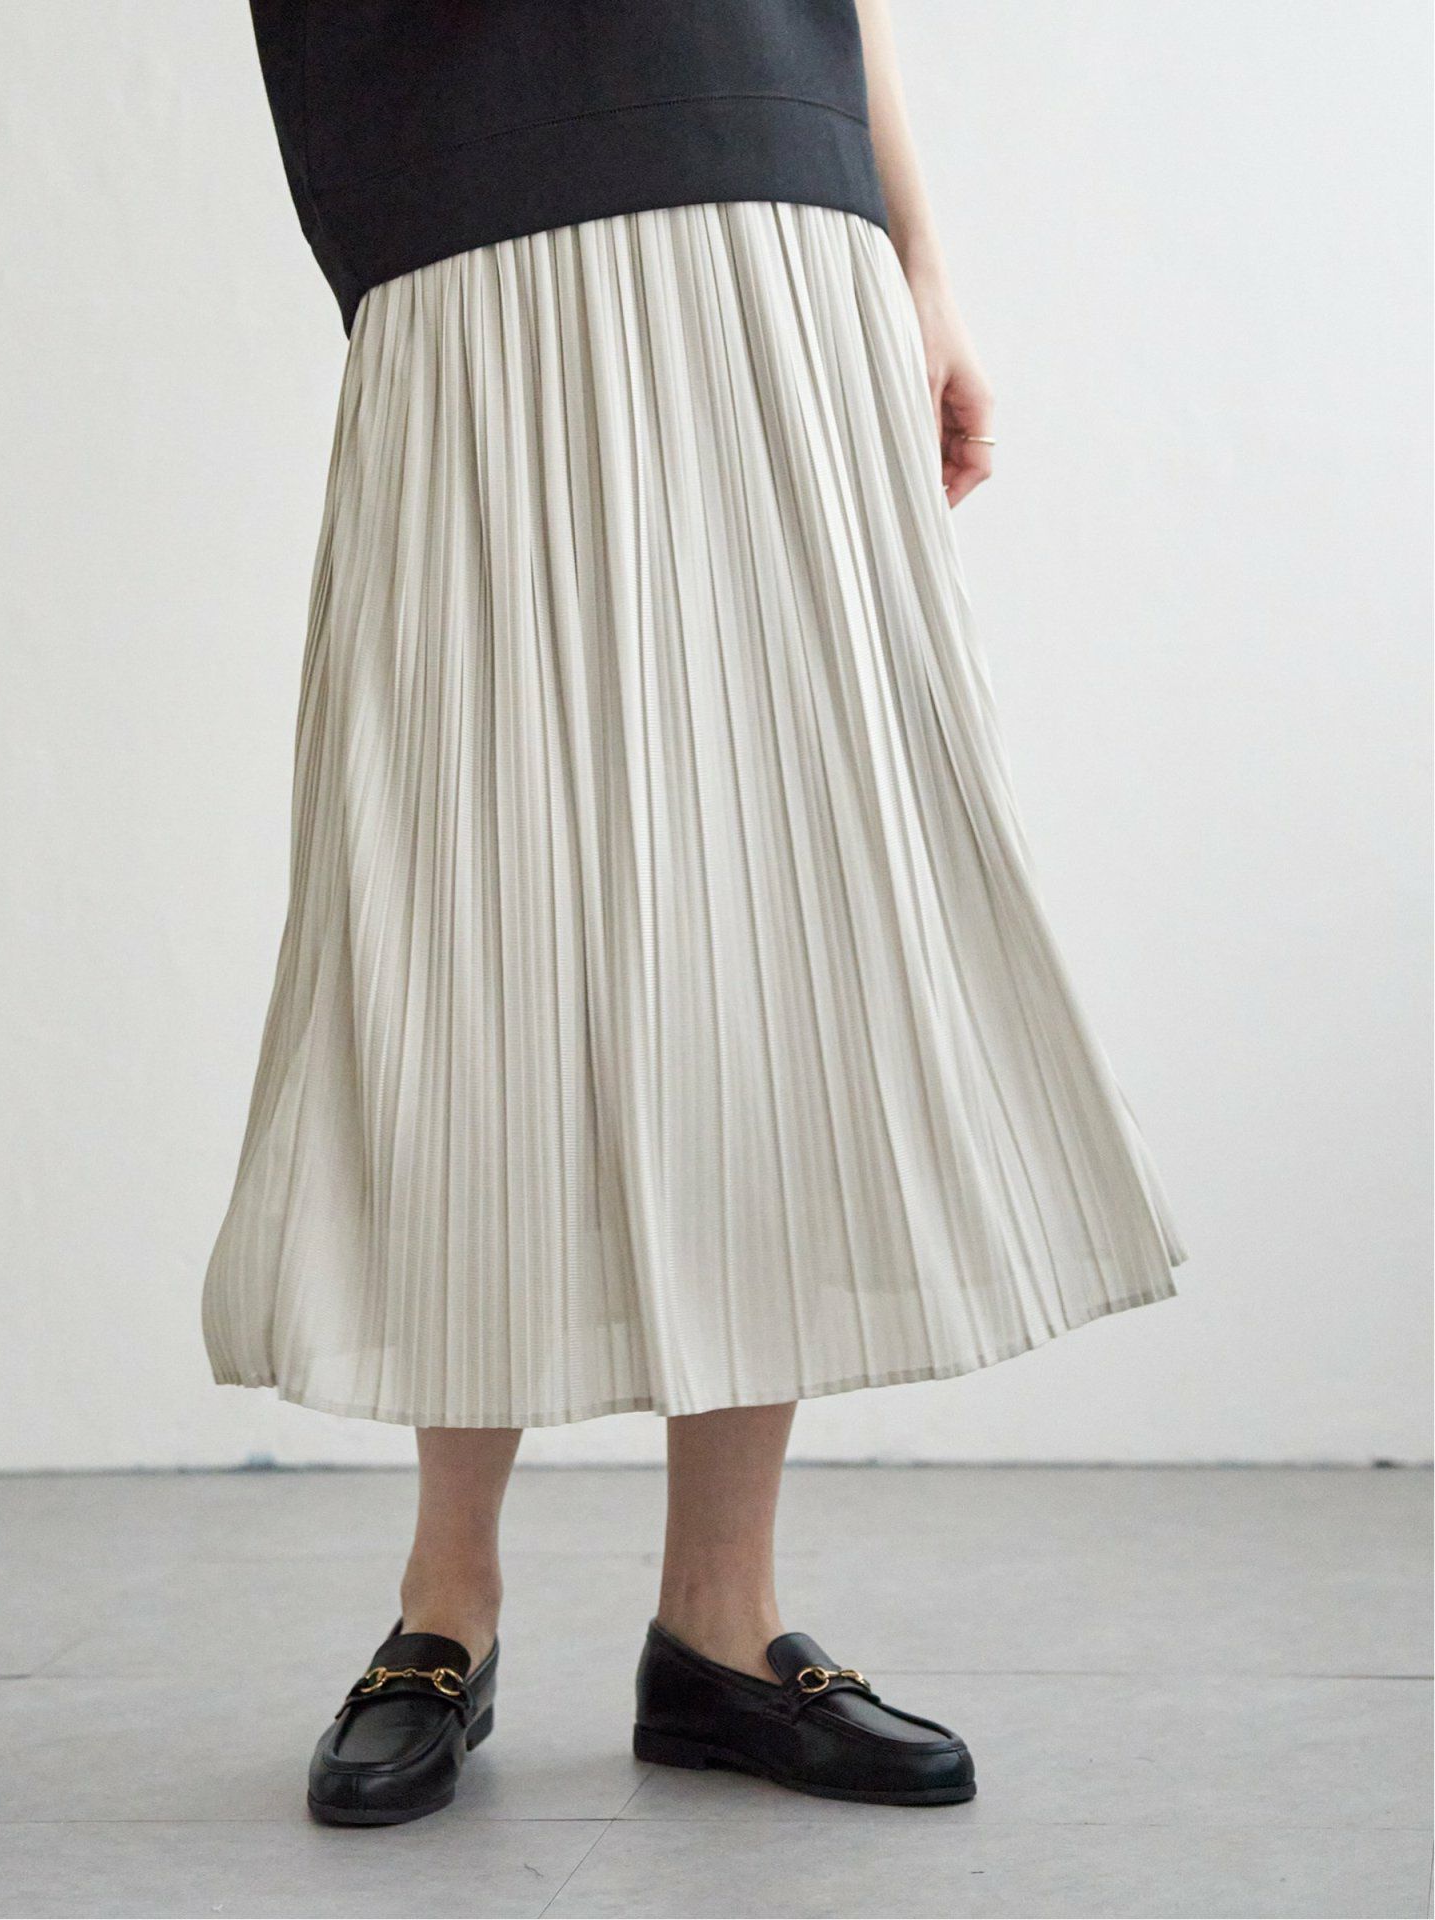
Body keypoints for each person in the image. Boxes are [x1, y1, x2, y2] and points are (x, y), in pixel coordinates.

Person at [203, 0, 1185, 1825]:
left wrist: (920, 262)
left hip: (779, 202)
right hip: (467, 212)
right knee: (468, 918)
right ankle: (445, 1604)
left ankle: (723, 1624)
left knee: (777, 902)